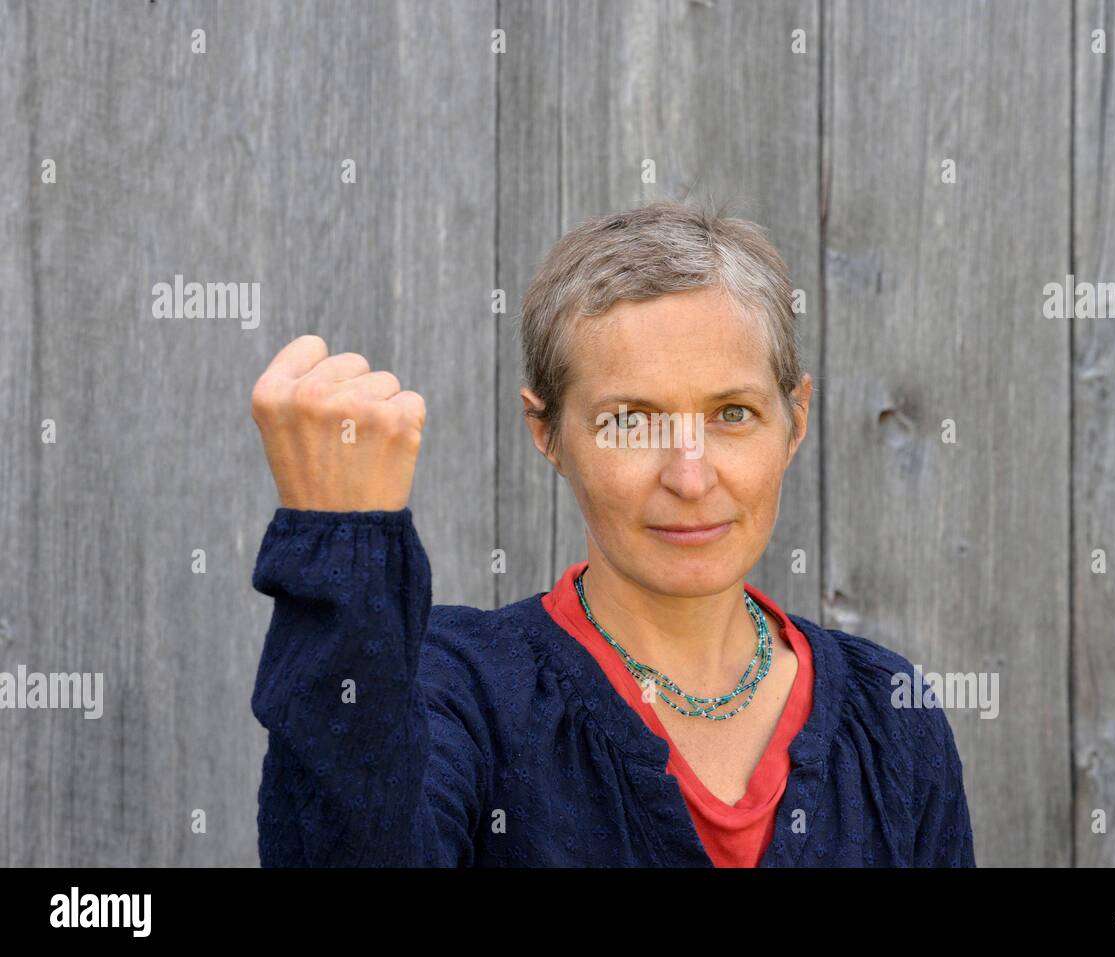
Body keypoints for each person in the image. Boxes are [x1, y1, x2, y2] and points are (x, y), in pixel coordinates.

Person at [248, 199, 976, 867]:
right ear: (547, 432)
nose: (691, 478)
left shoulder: (891, 717)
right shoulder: (453, 691)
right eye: (631, 421)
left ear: (796, 420)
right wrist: (339, 545)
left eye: (731, 413)